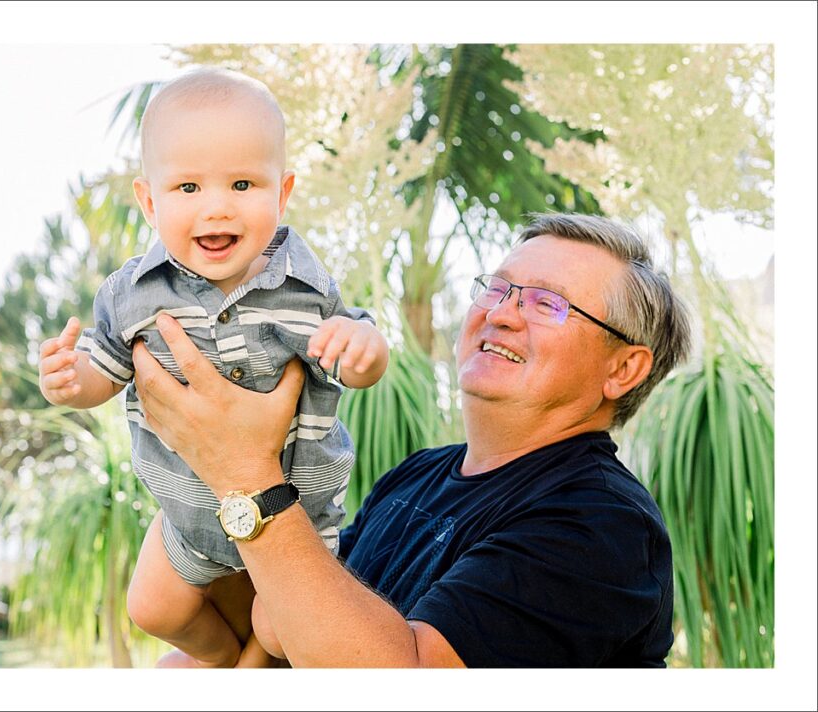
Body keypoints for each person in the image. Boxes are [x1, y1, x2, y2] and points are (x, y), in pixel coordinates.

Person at [130, 212, 693, 667]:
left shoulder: (601, 523)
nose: (502, 314)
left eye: (547, 304)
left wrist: (245, 473)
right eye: (497, 290)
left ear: (623, 369)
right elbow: (301, 617)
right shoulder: (420, 472)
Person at [37, 68, 389, 668]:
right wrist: (72, 382)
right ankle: (226, 666)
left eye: (244, 183)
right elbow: (107, 366)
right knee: (153, 609)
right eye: (189, 189)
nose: (217, 207)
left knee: (279, 631)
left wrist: (362, 348)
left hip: (293, 518)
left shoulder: (305, 291)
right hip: (187, 515)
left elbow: (356, 348)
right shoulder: (133, 294)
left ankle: (252, 665)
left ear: (282, 194)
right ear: (149, 201)